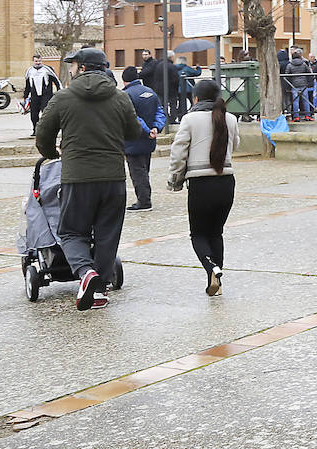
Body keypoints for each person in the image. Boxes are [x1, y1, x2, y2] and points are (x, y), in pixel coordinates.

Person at [35, 47, 143, 311]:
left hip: (77, 177)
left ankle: (85, 273)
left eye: (73, 65)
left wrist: (53, 154)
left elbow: (43, 135)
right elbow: (133, 132)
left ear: (82, 68)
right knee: (107, 233)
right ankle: (100, 288)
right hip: (113, 178)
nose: (71, 69)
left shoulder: (64, 97)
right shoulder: (120, 98)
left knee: (71, 231)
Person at [167, 80, 239, 296]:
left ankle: (211, 268)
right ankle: (216, 277)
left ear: (195, 98)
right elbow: (235, 145)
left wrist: (174, 180)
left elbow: (179, 152)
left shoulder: (190, 119)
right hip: (226, 182)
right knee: (216, 233)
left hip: (201, 184)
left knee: (198, 234)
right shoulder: (230, 118)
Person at [121, 65, 166, 212]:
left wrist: (146, 130)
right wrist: (156, 128)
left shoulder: (126, 95)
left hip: (133, 139)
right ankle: (144, 197)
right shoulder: (150, 92)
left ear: (124, 80)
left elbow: (132, 116)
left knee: (137, 171)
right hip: (149, 140)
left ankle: (144, 201)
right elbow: (160, 112)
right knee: (144, 169)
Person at [22, 54, 61, 136]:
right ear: (33, 61)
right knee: (33, 114)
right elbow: (28, 85)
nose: (38, 63)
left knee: (46, 113)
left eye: (39, 61)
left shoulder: (47, 69)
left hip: (46, 95)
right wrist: (25, 96)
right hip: (34, 95)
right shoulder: (29, 71)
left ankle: (48, 130)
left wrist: (59, 92)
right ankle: (35, 130)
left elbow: (57, 81)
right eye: (36, 61)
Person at [285, 50, 315, 122]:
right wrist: (309, 82)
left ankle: (296, 117)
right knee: (306, 101)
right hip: (304, 84)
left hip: (294, 85)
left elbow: (286, 75)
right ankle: (307, 115)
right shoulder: (304, 64)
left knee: (295, 101)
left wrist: (288, 84)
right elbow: (309, 73)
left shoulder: (289, 65)